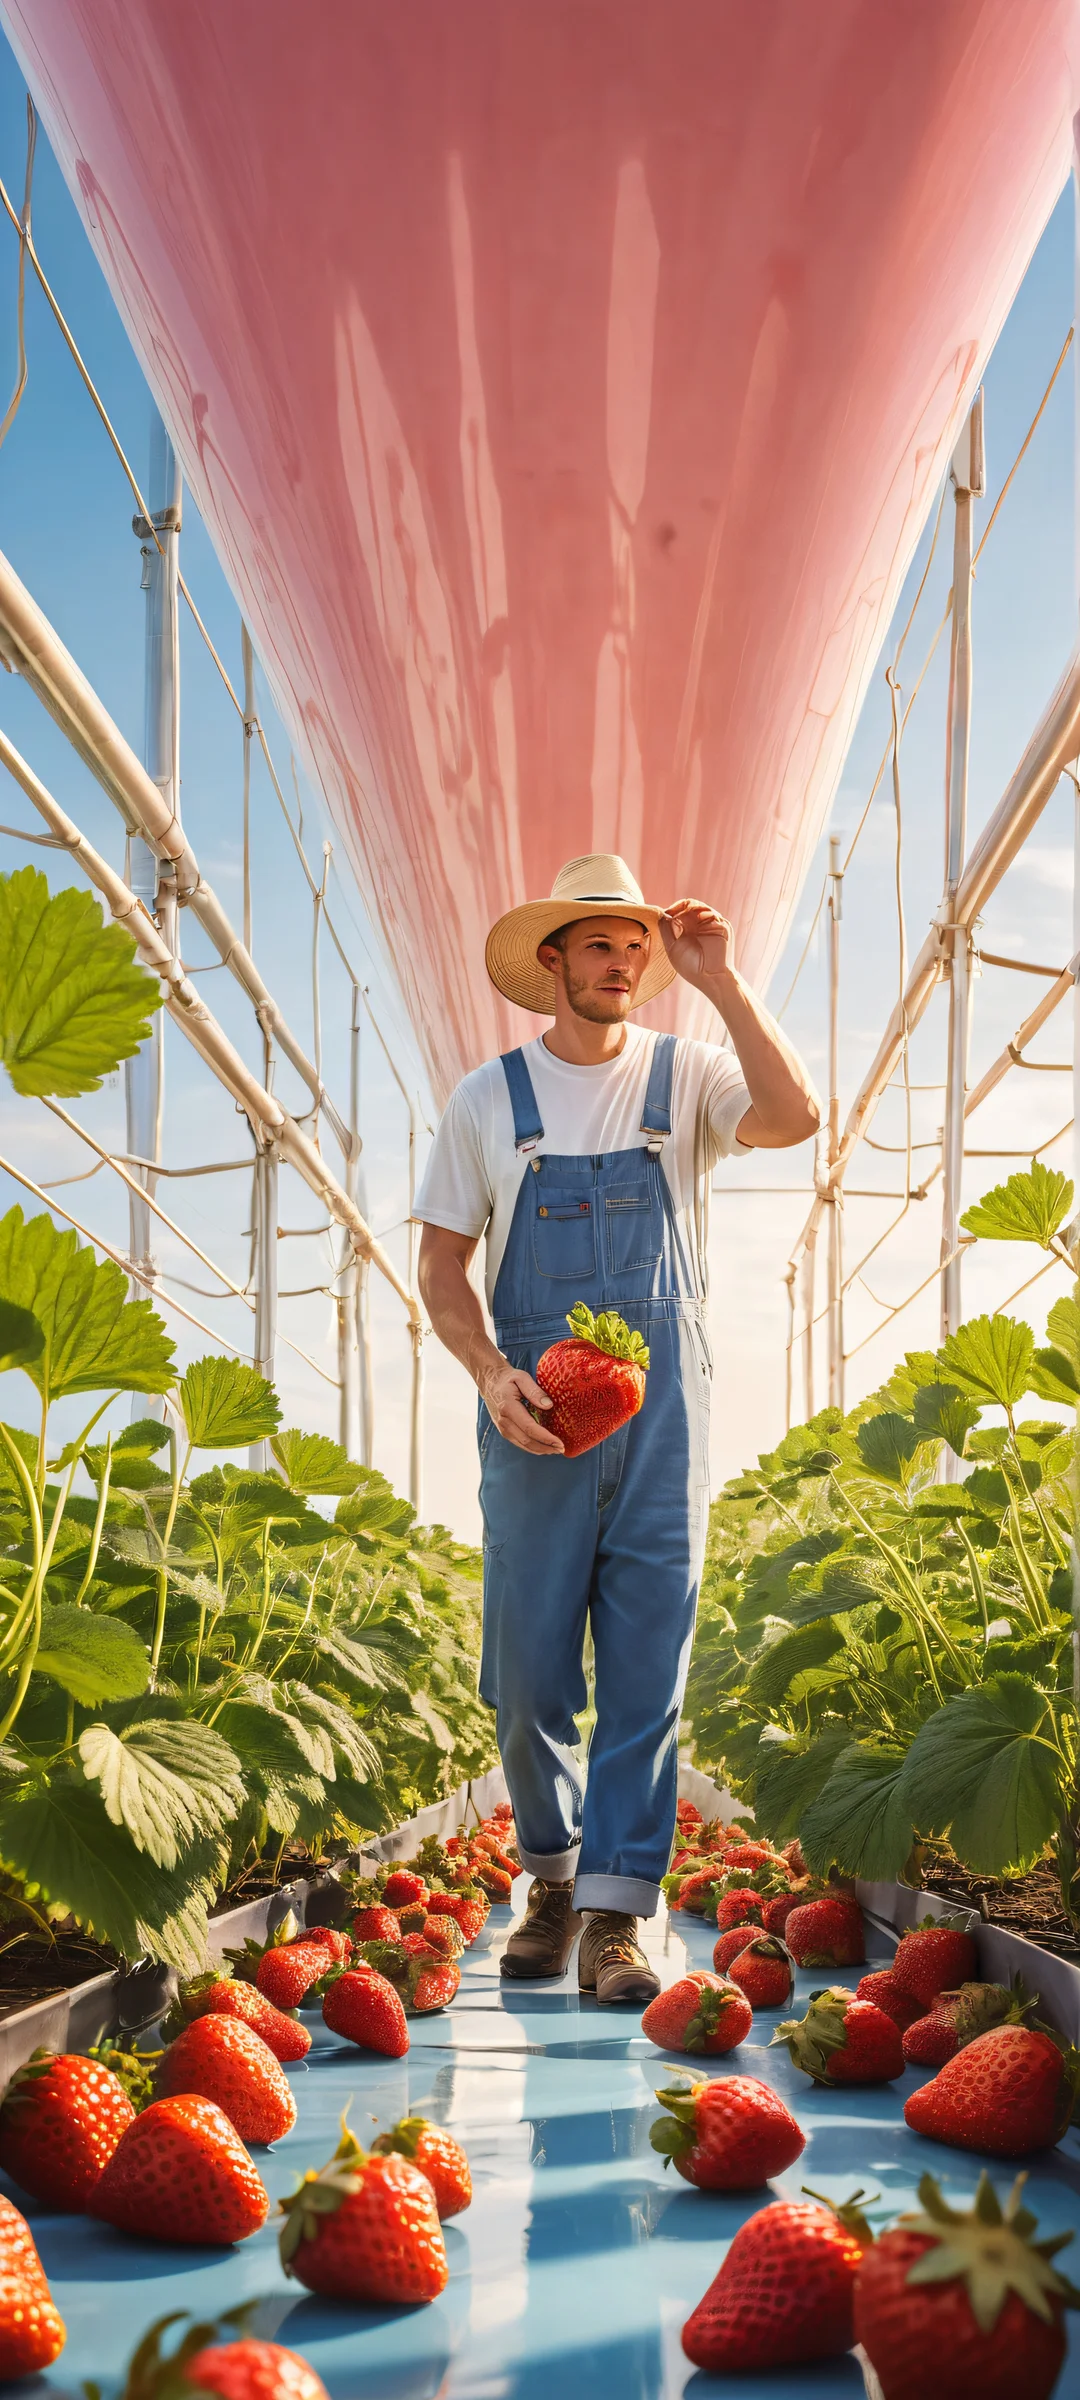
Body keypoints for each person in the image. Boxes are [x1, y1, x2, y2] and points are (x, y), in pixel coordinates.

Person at [416, 854, 819, 2002]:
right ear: (553, 960)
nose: (624, 962)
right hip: (536, 1417)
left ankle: (612, 1917)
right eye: (602, 943)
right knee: (529, 1674)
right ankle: (549, 1875)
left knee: (648, 1669)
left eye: (637, 946)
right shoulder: (489, 1098)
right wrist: (491, 1374)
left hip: (664, 1425)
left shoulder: (687, 1075)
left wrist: (726, 984)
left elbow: (795, 1116)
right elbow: (442, 1265)